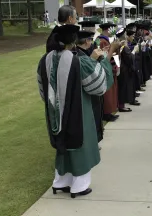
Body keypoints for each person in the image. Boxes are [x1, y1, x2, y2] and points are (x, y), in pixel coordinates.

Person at [37, 24, 118, 198]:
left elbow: (43, 90)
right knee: (80, 143)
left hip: (55, 113)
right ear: (74, 41)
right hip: (79, 111)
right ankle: (79, 186)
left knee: (62, 144)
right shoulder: (79, 61)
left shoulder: (45, 60)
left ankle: (61, 181)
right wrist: (101, 60)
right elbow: (98, 85)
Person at [75, 29, 105, 144]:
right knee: (91, 117)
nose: (92, 42)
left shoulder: (87, 51)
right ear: (87, 41)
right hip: (89, 93)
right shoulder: (78, 54)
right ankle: (93, 142)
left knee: (96, 116)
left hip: (94, 94)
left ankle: (95, 139)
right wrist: (92, 59)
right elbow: (87, 71)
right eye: (90, 40)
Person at [96, 23, 119, 122]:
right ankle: (106, 113)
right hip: (105, 68)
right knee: (107, 93)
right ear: (108, 30)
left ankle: (108, 113)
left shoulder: (104, 40)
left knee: (110, 92)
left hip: (109, 67)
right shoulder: (102, 41)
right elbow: (105, 57)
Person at [117, 28, 141, 109]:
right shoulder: (124, 46)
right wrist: (134, 50)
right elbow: (129, 58)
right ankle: (121, 106)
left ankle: (122, 105)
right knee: (123, 88)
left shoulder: (122, 45)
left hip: (123, 69)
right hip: (125, 70)